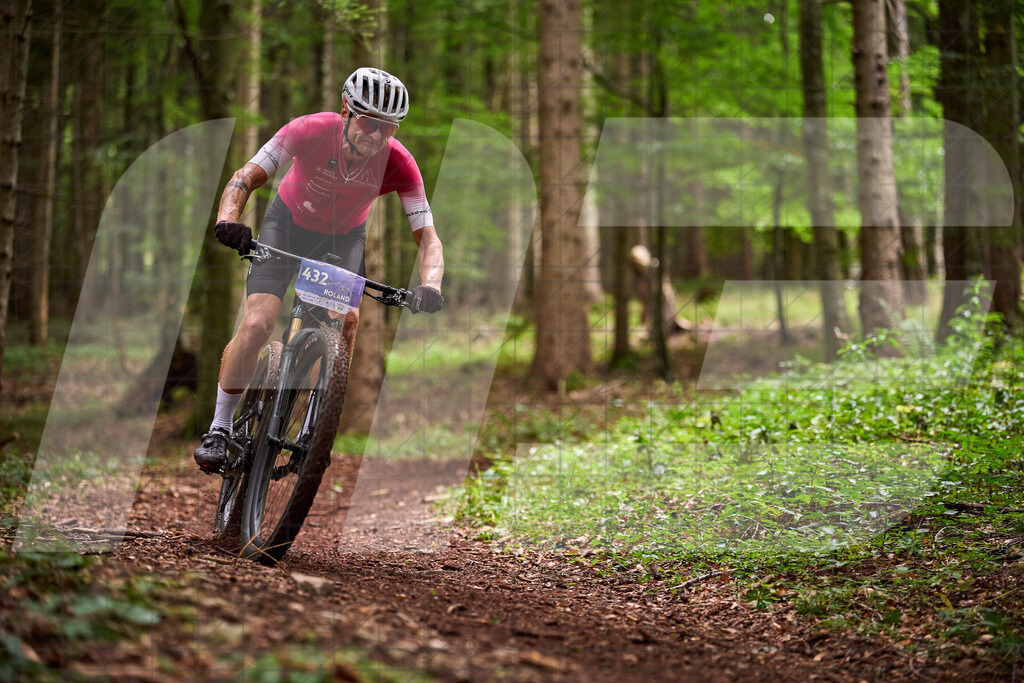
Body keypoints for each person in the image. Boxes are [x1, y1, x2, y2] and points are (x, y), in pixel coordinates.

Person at [194, 67, 445, 473]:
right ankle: (220, 427)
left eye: (388, 128)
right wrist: (228, 219)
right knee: (258, 323)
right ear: (346, 110)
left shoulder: (399, 162)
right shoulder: (308, 129)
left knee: (346, 320)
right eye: (368, 122)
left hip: (342, 240)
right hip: (286, 226)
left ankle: (315, 425)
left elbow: (428, 236)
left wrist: (431, 283)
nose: (376, 135)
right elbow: (244, 177)